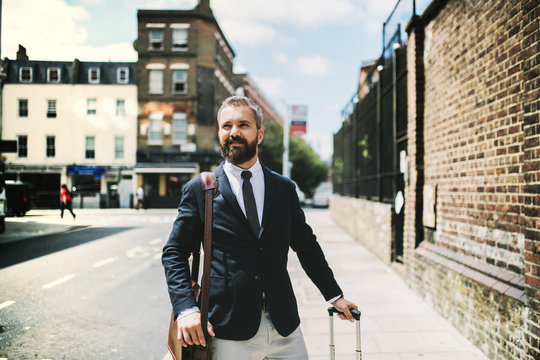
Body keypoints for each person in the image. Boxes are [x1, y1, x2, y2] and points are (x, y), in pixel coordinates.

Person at [162, 96, 357, 359]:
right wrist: (186, 309)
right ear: (219, 133)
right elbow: (174, 252)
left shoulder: (283, 188)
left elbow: (306, 245)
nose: (234, 132)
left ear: (260, 134)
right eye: (226, 126)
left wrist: (334, 295)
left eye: (243, 125)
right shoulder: (202, 189)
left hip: (285, 327)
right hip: (228, 328)